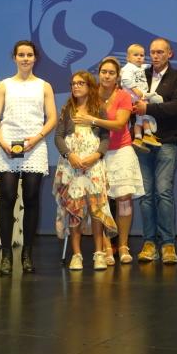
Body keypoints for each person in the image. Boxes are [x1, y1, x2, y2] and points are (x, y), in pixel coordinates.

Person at [0, 40, 57, 276]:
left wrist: (37, 138)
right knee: (7, 197)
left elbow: (52, 118)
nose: (25, 58)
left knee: (31, 198)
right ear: (15, 58)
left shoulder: (44, 86)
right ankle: (6, 255)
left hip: (34, 146)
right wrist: (2, 141)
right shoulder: (4, 85)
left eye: (29, 55)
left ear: (35, 58)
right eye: (21, 55)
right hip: (7, 144)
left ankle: (27, 254)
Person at [72, 57, 144, 265]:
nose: (107, 76)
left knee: (124, 199)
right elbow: (77, 118)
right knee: (99, 202)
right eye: (104, 71)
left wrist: (92, 120)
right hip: (96, 153)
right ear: (99, 73)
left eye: (111, 73)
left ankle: (123, 246)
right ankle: (105, 246)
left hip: (121, 150)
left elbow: (120, 124)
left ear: (117, 76)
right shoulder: (90, 94)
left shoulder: (123, 96)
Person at [53, 70, 117, 271]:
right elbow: (58, 137)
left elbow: (105, 138)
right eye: (73, 84)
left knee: (96, 208)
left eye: (80, 83)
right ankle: (76, 255)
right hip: (71, 164)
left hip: (93, 165)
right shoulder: (67, 109)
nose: (76, 86)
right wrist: (69, 155)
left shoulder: (99, 109)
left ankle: (99, 253)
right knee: (75, 208)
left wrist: (96, 156)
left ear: (90, 86)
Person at [133, 38, 177, 264]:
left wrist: (148, 107)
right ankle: (149, 242)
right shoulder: (140, 75)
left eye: (160, 52)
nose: (155, 56)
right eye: (152, 52)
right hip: (142, 143)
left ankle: (167, 244)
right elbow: (130, 100)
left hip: (166, 141)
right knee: (146, 195)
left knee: (163, 192)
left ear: (169, 54)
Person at [120, 44, 162, 151]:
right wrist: (135, 89)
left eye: (142, 55)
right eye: (136, 55)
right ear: (128, 58)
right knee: (145, 112)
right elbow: (125, 79)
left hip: (139, 95)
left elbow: (148, 66)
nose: (139, 57)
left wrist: (154, 63)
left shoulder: (140, 67)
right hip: (134, 96)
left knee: (139, 118)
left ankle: (138, 138)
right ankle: (148, 134)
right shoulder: (128, 68)